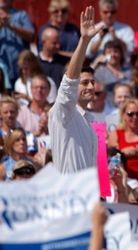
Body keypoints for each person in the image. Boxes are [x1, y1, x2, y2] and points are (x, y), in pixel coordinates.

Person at [48, 6, 101, 173]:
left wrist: (107, 189)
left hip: (91, 196)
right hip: (68, 196)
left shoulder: (95, 121)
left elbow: (100, 171)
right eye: (84, 82)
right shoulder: (63, 112)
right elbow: (69, 82)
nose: (91, 87)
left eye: (92, 82)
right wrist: (84, 41)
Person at [108, 98, 138, 186]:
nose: (135, 117)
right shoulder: (115, 134)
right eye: (130, 114)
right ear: (123, 116)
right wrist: (123, 153)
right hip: (124, 183)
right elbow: (111, 162)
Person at [0, 0, 35, 83]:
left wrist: (10, 26)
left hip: (20, 67)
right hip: (2, 68)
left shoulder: (21, 15)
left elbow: (31, 36)